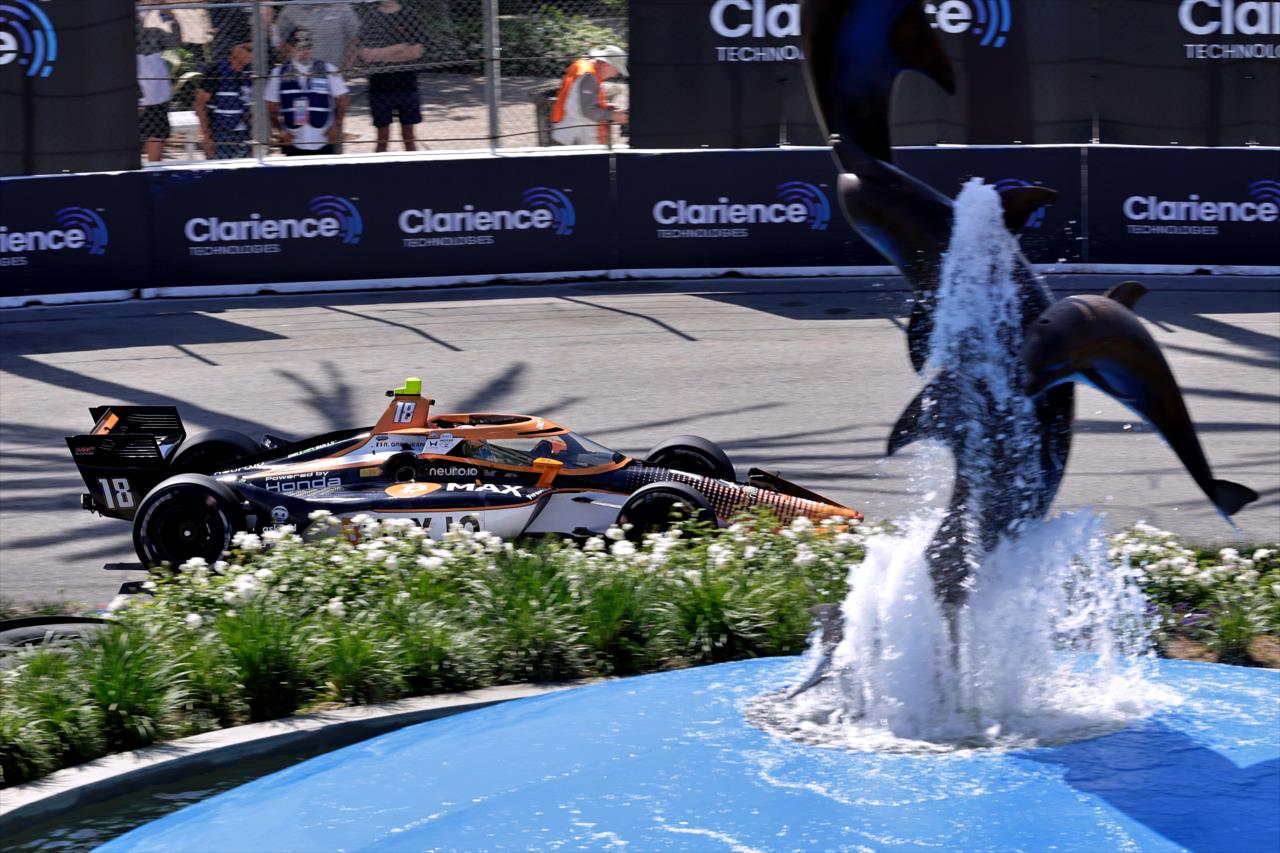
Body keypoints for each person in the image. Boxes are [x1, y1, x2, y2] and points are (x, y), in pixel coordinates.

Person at [265, 30, 350, 156]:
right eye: (300, 48)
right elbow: (271, 105)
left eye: (308, 47)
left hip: (323, 140)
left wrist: (337, 126)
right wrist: (281, 131)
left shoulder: (328, 69)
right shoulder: (278, 74)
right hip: (293, 141)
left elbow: (343, 99)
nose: (305, 52)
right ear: (290, 48)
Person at [360, 0, 427, 153]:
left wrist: (380, 54)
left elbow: (416, 52)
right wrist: (399, 48)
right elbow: (366, 55)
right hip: (379, 86)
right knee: (382, 139)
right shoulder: (370, 17)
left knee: (409, 137)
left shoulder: (409, 15)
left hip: (407, 85)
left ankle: (416, 173)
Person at [549, 45, 629, 146]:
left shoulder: (584, 66)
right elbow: (588, 111)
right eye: (616, 69)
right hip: (572, 138)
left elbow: (578, 100)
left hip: (566, 133)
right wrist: (614, 116)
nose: (616, 74)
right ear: (606, 64)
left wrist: (604, 106)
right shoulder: (589, 77)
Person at [136, 1, 183, 163]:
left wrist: (172, 17)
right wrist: (172, 17)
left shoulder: (153, 33)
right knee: (154, 136)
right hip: (151, 97)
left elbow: (175, 42)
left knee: (155, 137)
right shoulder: (152, 33)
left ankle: (153, 170)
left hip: (155, 96)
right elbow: (175, 42)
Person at [194, 40, 254, 159]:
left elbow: (251, 109)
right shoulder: (216, 69)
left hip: (244, 135)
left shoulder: (250, 73)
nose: (252, 54)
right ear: (235, 50)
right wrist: (207, 138)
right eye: (248, 49)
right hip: (220, 134)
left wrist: (253, 138)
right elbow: (199, 105)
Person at [273, 1, 361, 72]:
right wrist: (293, 67)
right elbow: (280, 44)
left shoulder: (343, 8)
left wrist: (343, 73)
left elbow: (353, 43)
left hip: (333, 74)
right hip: (300, 76)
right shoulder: (290, 11)